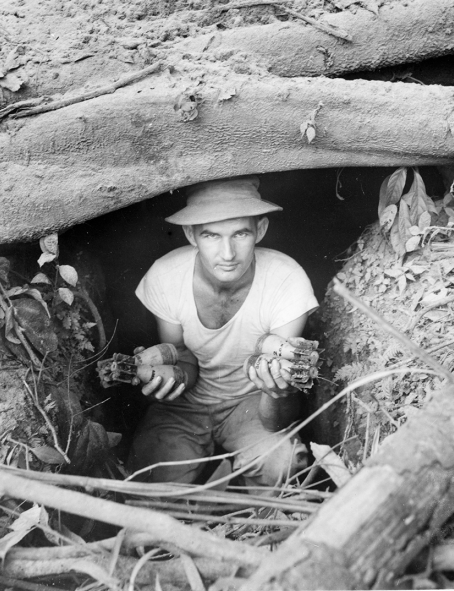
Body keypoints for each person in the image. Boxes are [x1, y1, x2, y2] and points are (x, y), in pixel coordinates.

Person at [127, 176, 319, 488]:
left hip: (250, 406)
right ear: (191, 234)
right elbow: (184, 360)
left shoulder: (287, 281)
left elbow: (278, 416)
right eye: (212, 235)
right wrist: (165, 370)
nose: (227, 253)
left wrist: (275, 389)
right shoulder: (165, 276)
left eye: (240, 233)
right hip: (184, 409)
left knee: (283, 467)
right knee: (151, 479)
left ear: (260, 230)